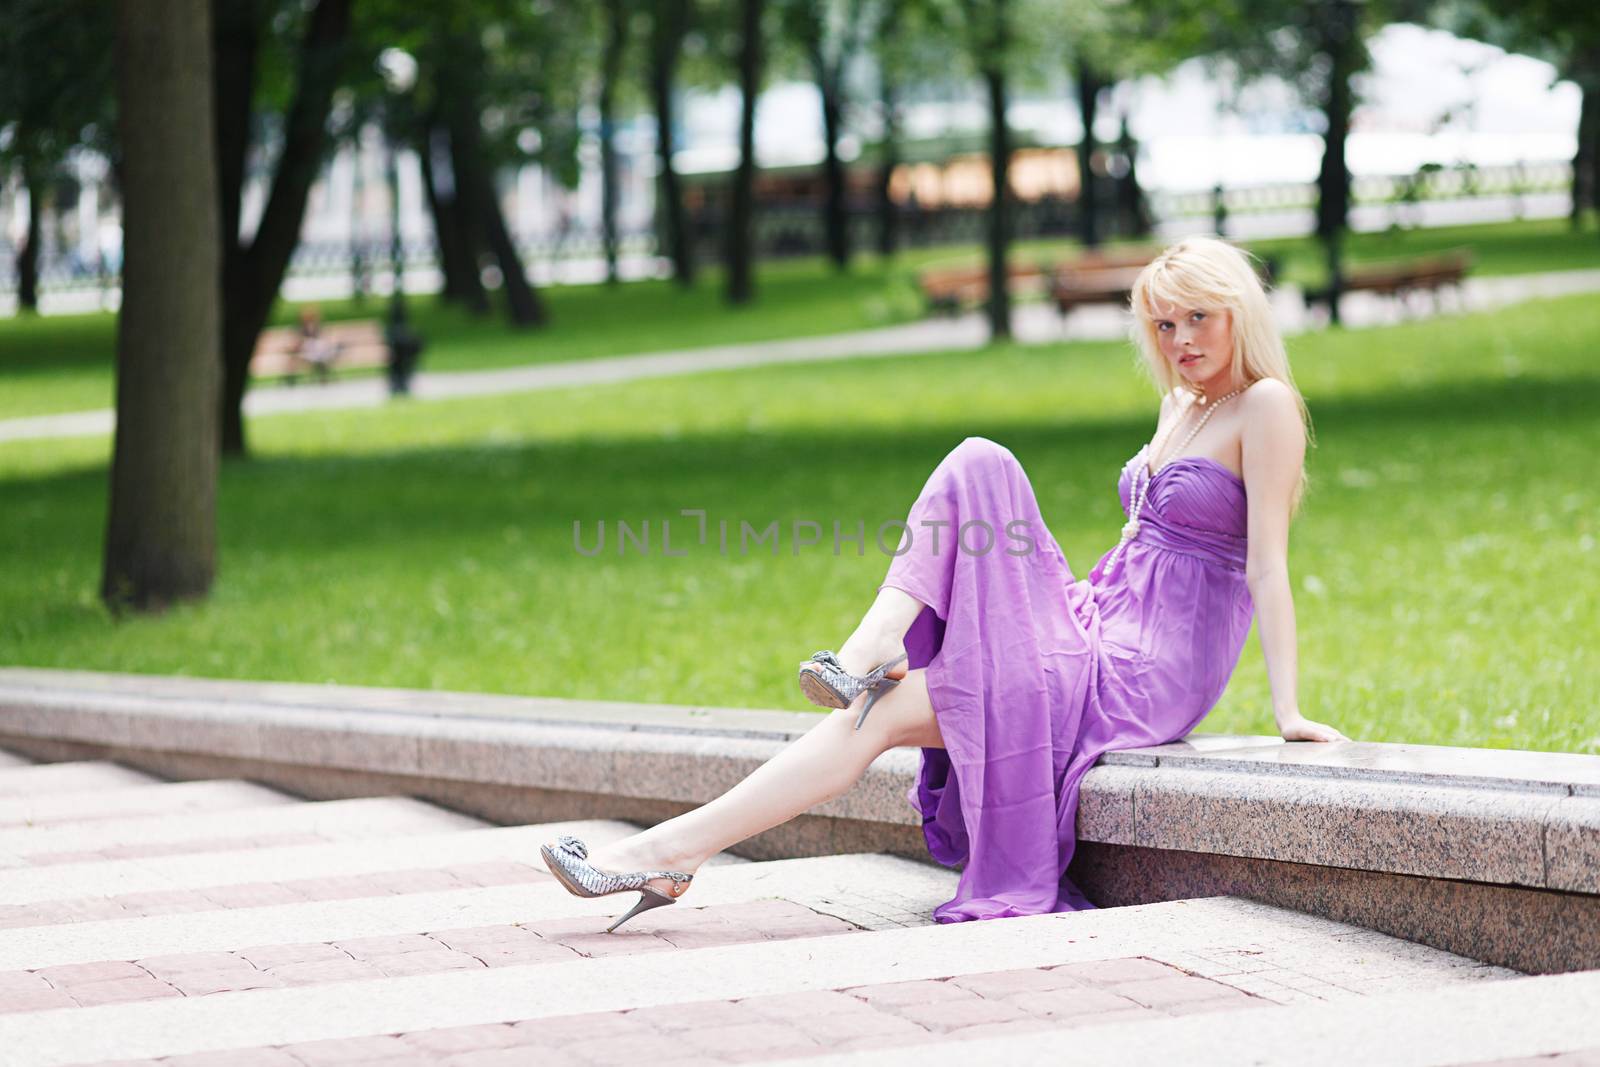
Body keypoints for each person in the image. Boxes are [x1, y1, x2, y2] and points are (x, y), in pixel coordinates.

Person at [541, 235, 1349, 933]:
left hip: (1145, 668)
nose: (1180, 340)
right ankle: (688, 833)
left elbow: (1266, 563)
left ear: (1238, 311)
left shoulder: (1265, 405)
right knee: (977, 461)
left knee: (882, 703)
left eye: (1197, 318)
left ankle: (672, 847)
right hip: (1095, 620)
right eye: (1165, 324)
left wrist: (1289, 711)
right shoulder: (1180, 404)